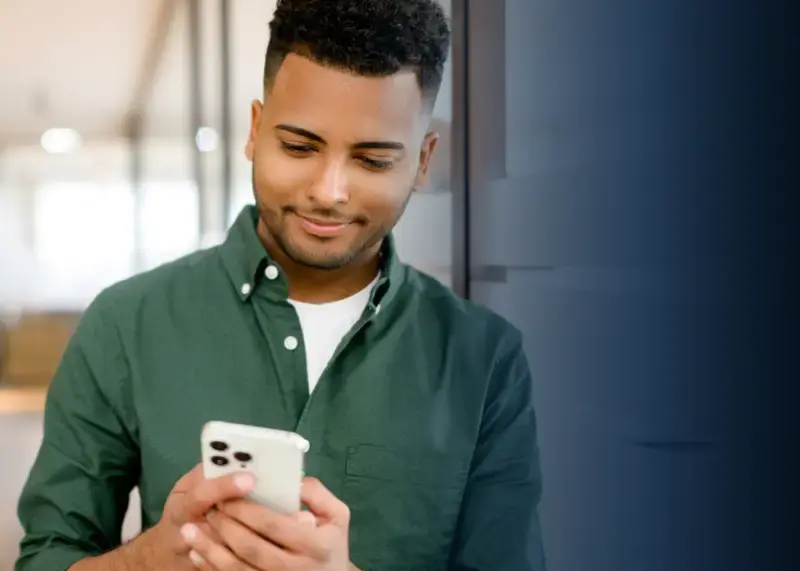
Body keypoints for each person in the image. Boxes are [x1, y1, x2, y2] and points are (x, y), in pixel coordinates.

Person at [15, 0, 546, 570]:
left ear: (422, 160)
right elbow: (46, 556)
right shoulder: (126, 324)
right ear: (254, 130)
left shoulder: (486, 359)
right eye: (299, 147)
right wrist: (146, 562)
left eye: (371, 160)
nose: (329, 191)